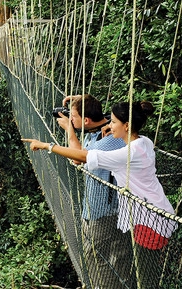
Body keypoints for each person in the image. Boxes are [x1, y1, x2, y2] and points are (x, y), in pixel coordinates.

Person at [23, 100, 177, 288]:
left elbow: (83, 157)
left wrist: (47, 146)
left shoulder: (126, 155)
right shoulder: (144, 142)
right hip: (159, 214)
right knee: (143, 273)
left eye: (112, 122)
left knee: (144, 279)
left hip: (149, 222)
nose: (108, 125)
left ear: (127, 125)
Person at [57, 94, 133, 289]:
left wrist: (69, 131)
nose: (70, 120)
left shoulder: (110, 140)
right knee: (118, 258)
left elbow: (78, 158)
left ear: (86, 120)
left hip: (103, 213)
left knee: (96, 258)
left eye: (73, 117)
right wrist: (82, 100)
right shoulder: (104, 127)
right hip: (114, 210)